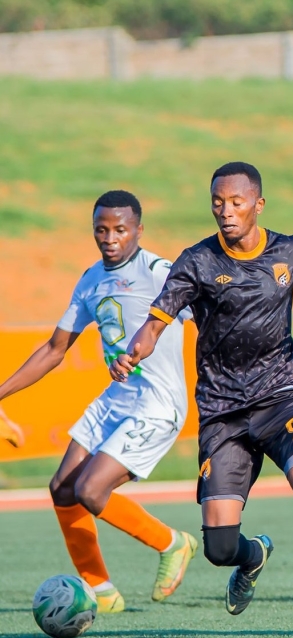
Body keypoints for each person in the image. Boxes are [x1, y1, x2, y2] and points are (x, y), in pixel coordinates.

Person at [110, 162, 293, 638]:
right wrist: (131, 354)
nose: (226, 212)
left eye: (236, 202)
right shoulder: (197, 262)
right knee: (219, 548)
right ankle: (253, 556)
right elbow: (155, 324)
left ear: (258, 204)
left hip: (281, 397)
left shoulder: (291, 250)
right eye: (217, 203)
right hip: (223, 412)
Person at [0, 190, 198, 613]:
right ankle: (102, 592)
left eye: (120, 230)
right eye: (101, 230)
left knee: (91, 490)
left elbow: (213, 318)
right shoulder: (91, 279)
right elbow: (55, 350)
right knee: (62, 488)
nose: (110, 238)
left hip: (158, 404)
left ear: (139, 231)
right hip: (117, 399)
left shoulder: (161, 272)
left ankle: (173, 543)